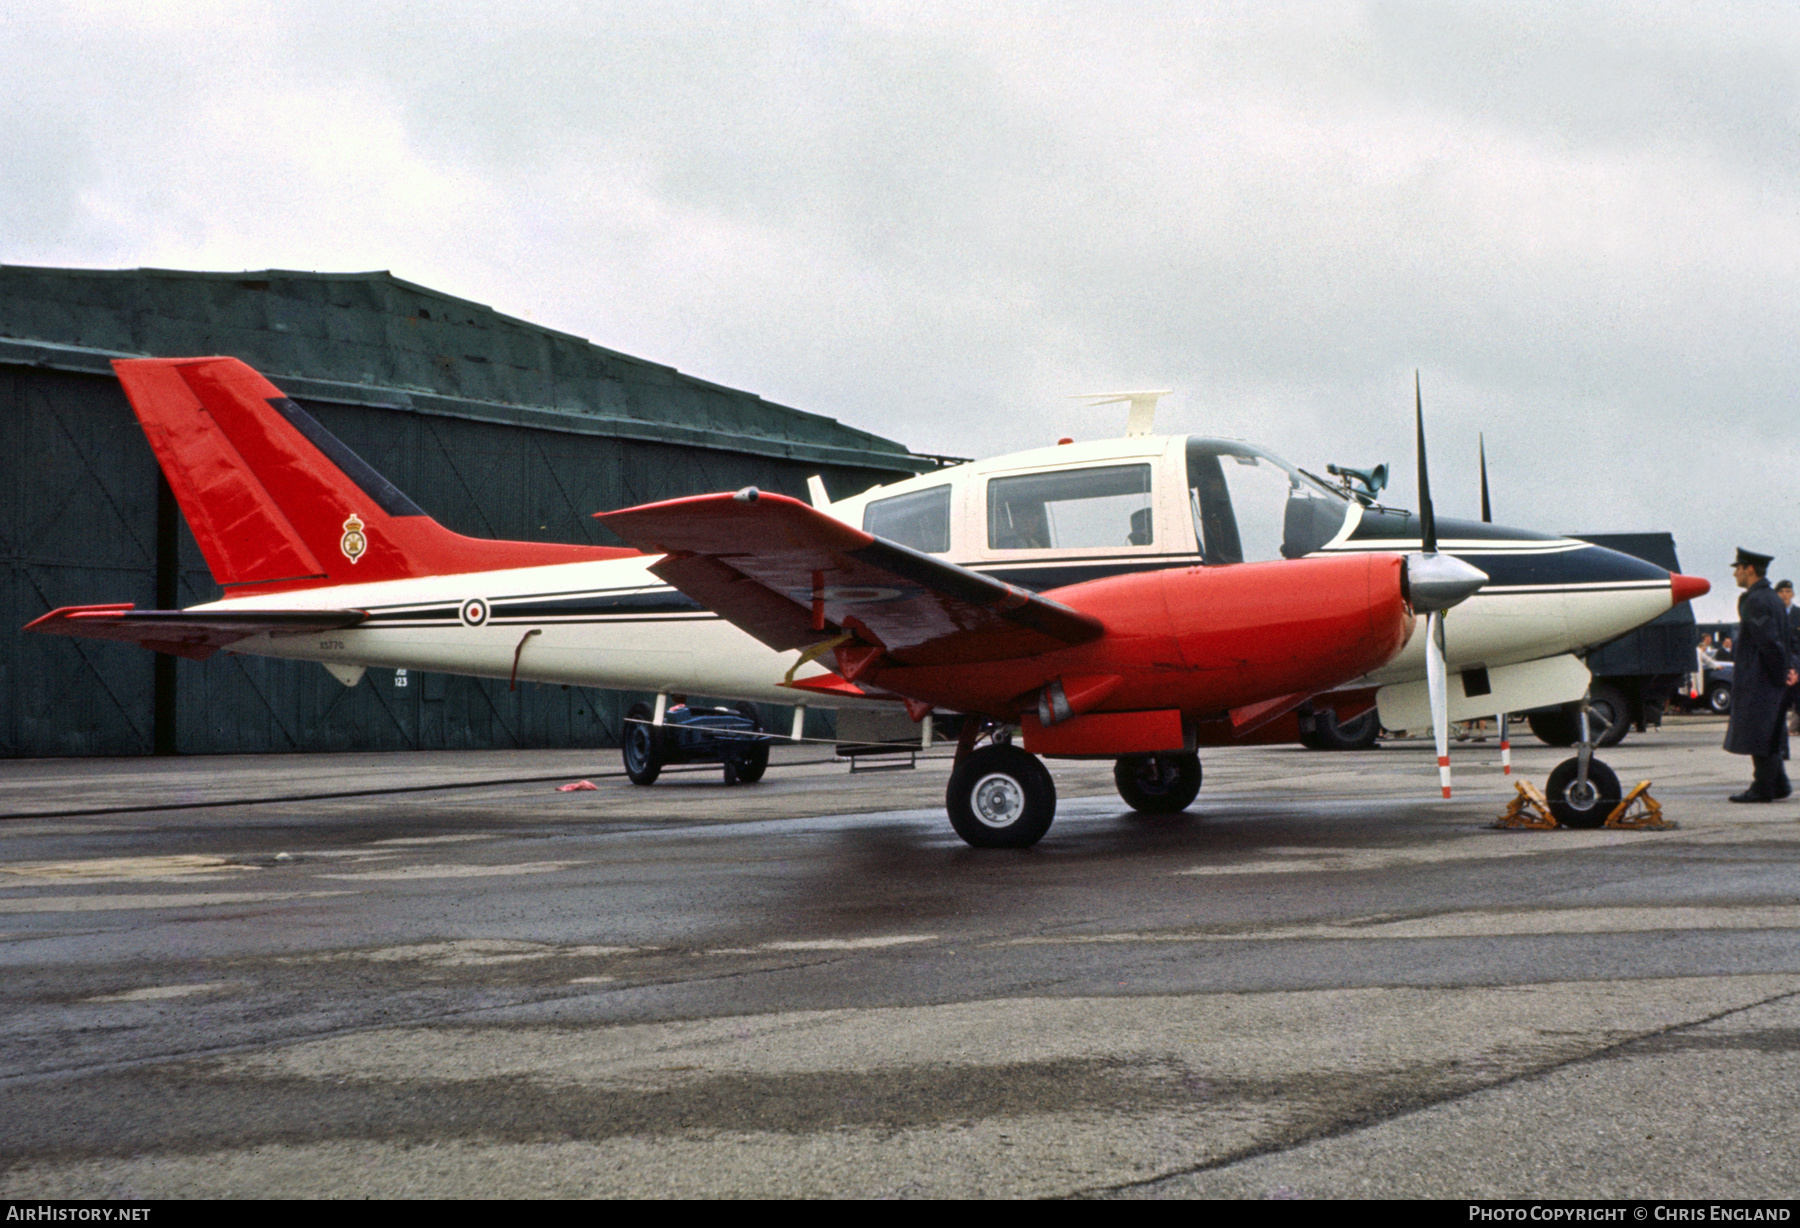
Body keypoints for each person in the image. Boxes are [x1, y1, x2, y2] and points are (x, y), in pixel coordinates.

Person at [1724, 549, 1798, 802]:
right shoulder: (1773, 599)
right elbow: (1783, 640)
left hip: (1761, 678)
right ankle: (1778, 784)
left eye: (1738, 568)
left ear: (1749, 569)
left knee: (1760, 733)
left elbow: (1768, 641)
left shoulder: (1756, 601)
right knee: (1769, 731)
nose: (1735, 573)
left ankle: (1763, 788)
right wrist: (1788, 670)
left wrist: (1779, 675)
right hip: (1770, 677)